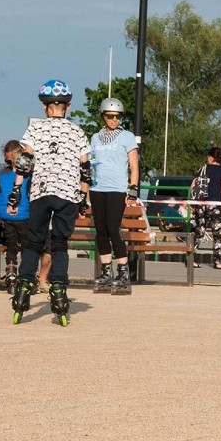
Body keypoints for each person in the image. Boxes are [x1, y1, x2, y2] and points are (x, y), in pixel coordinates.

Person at [7, 79, 91, 326]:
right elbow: (85, 168)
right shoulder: (77, 131)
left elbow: (25, 162)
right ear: (69, 106)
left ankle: (23, 286)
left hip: (41, 192)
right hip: (67, 194)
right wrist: (83, 197)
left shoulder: (35, 129)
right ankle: (58, 288)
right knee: (60, 244)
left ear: (44, 107)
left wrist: (16, 191)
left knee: (34, 242)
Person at [88, 98, 139, 294]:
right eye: (110, 116)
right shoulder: (95, 138)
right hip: (97, 188)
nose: (114, 120)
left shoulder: (127, 137)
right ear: (103, 116)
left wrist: (133, 189)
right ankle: (106, 271)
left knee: (112, 228)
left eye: (117, 117)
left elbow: (134, 166)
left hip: (117, 189)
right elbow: (90, 163)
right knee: (100, 231)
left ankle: (123, 272)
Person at [0, 140, 32, 292]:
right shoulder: (30, 175)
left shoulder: (3, 175)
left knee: (11, 245)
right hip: (25, 217)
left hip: (7, 217)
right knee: (26, 246)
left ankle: (11, 273)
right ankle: (26, 276)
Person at [191, 147, 221, 269]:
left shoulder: (203, 169)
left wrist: (193, 202)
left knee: (199, 231)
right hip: (215, 205)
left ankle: (191, 259)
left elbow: (193, 185)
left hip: (201, 204)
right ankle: (218, 261)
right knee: (217, 233)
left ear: (211, 157)